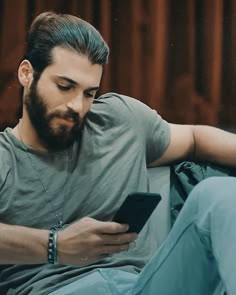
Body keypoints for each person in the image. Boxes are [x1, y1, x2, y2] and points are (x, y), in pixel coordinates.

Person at [0, 11, 236, 295]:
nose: (77, 105)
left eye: (89, 93)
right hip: (56, 291)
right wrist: (56, 246)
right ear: (26, 74)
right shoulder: (4, 157)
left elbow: (196, 139)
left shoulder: (119, 120)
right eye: (65, 87)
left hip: (145, 286)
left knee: (219, 194)